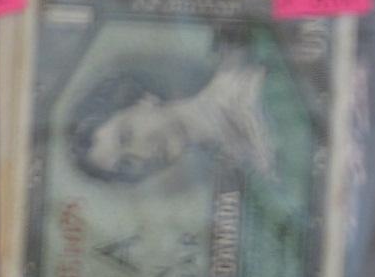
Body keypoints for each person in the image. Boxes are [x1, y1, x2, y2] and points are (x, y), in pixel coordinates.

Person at [68, 54, 277, 184]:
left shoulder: (243, 87)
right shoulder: (237, 163)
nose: (141, 154)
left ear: (143, 100)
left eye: (127, 135)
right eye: (126, 164)